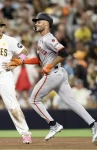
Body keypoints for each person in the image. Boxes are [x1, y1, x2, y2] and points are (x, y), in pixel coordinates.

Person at [8, 12, 97, 144]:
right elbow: (39, 60)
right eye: (36, 21)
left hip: (53, 74)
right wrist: (22, 62)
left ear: (46, 23)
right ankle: (94, 124)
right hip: (59, 73)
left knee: (33, 99)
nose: (36, 23)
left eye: (39, 21)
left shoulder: (49, 38)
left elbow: (64, 53)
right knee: (72, 102)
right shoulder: (41, 40)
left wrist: (49, 65)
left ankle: (53, 124)